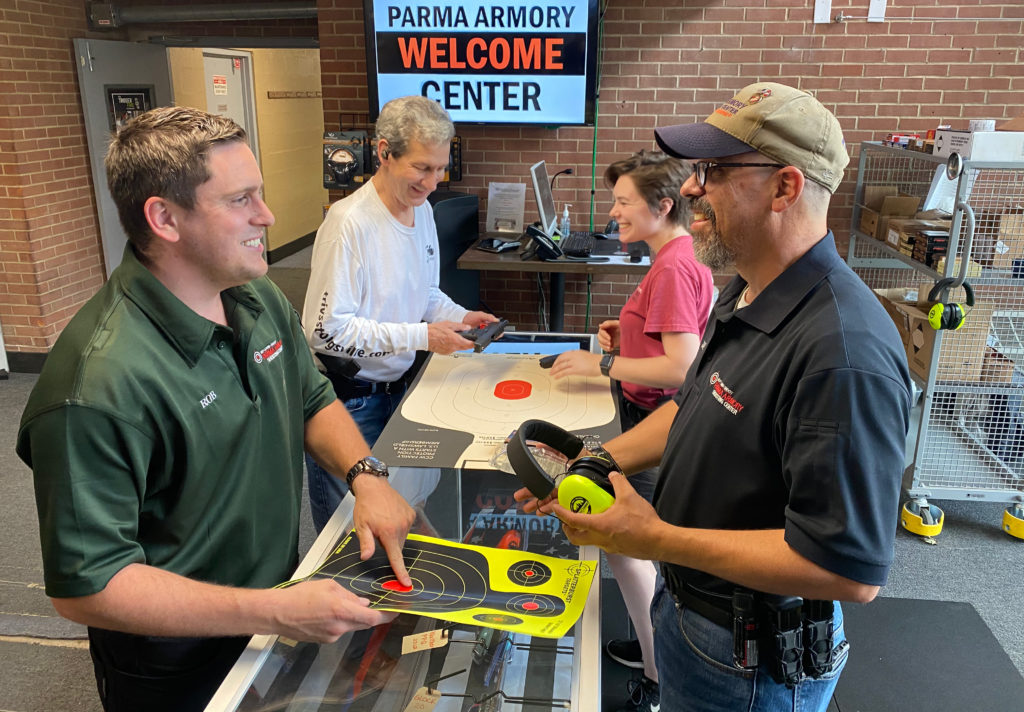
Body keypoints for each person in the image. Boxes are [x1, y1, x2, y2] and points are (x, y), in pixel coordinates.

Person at [518, 82, 912, 712]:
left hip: (749, 659)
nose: (693, 188)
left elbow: (849, 570)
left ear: (786, 187)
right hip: (693, 614)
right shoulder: (749, 290)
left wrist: (655, 538)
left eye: (717, 171)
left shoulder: (843, 352)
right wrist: (596, 462)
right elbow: (692, 402)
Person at [17, 107, 416, 712]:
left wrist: (367, 475)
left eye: (259, 192)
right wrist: (276, 608)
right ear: (164, 218)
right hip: (176, 662)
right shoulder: (95, 388)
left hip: (271, 614)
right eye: (240, 200)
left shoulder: (255, 295)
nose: (268, 216)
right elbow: (87, 586)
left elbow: (309, 396)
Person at [548, 150, 714, 711]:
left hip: (657, 424)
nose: (613, 212)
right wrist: (633, 331)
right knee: (631, 549)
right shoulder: (678, 256)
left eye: (624, 202)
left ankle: (655, 674)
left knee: (624, 544)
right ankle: (654, 647)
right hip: (656, 418)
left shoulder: (670, 267)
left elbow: (682, 367)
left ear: (662, 206)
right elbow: (677, 334)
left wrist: (603, 364)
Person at [302, 95, 496, 532]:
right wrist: (423, 337)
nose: (433, 181)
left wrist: (461, 317)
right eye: (422, 168)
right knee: (352, 536)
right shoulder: (347, 223)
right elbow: (325, 332)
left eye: (440, 168)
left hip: (401, 390)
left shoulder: (422, 211)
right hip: (349, 401)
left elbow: (424, 293)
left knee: (406, 509)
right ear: (384, 152)